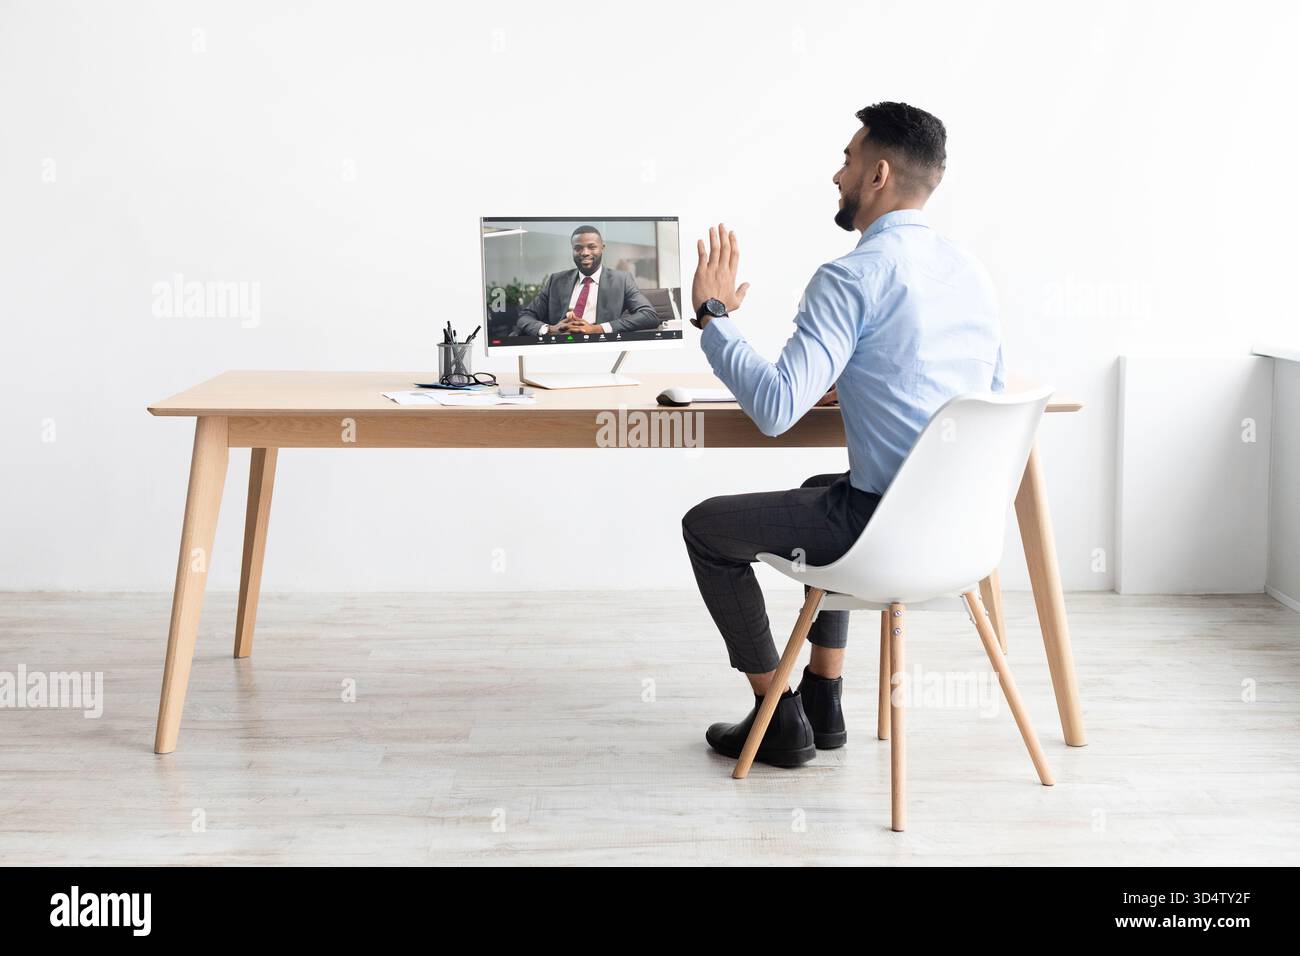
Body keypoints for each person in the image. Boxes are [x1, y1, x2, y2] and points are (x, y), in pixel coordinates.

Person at [682, 101, 1005, 767]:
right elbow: (980, 399)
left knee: (706, 528)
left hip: (881, 532)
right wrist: (857, 373)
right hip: (962, 535)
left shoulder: (851, 276)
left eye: (848, 159)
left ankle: (777, 715)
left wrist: (713, 317)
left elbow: (775, 410)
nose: (837, 175)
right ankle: (824, 698)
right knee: (817, 486)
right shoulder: (970, 272)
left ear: (878, 174)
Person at [514, 225, 661, 337]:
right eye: (578, 248)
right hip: (559, 347)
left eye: (592, 247)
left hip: (600, 348)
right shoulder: (556, 281)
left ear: (602, 248)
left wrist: (597, 329)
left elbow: (649, 315)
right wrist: (550, 329)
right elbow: (525, 316)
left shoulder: (621, 280)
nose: (585, 253)